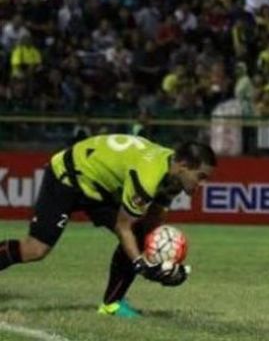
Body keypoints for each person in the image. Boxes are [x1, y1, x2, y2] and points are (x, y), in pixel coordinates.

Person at [0, 134, 217, 318]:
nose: (203, 184)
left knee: (139, 234)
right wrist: (142, 265)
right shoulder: (148, 176)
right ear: (183, 166)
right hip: (69, 176)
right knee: (36, 249)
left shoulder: (174, 176)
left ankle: (111, 305)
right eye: (201, 177)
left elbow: (152, 223)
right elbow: (124, 227)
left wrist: (162, 261)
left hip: (100, 187)